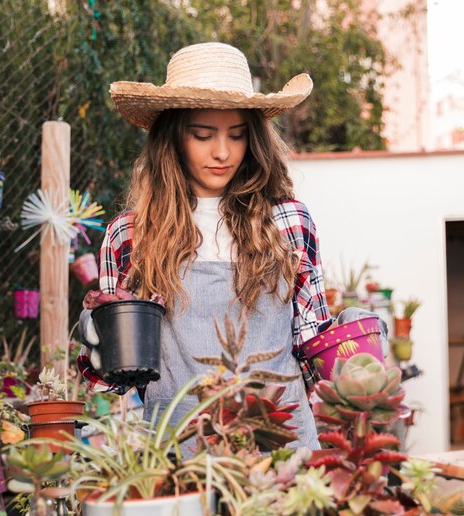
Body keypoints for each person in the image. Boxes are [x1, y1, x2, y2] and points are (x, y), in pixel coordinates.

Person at [78, 42, 371, 450]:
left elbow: (310, 341)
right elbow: (110, 377)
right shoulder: (131, 235)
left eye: (236, 136)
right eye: (203, 135)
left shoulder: (287, 221)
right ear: (173, 139)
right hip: (181, 451)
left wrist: (355, 349)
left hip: (282, 449)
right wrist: (97, 330)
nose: (222, 152)